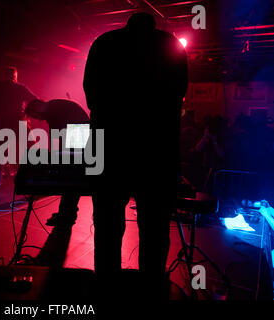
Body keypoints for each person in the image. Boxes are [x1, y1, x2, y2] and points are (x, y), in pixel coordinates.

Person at [83, 12, 188, 296]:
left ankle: (106, 286)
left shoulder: (104, 42)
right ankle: (151, 289)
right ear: (154, 25)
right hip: (156, 148)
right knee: (154, 227)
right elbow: (180, 93)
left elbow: (90, 93)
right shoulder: (171, 44)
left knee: (106, 222)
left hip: (110, 146)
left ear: (127, 23)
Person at [24, 98, 90, 226]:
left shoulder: (51, 110)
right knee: (72, 178)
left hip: (78, 132)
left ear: (36, 106)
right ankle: (67, 213)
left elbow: (56, 137)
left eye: (34, 115)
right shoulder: (53, 107)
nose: (37, 118)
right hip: (80, 130)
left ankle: (66, 215)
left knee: (70, 178)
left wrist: (53, 158)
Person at [0, 66, 38, 192]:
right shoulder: (20, 88)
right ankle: (35, 178)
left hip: (2, 123)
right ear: (15, 76)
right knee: (32, 148)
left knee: (0, 153)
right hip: (17, 122)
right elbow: (35, 100)